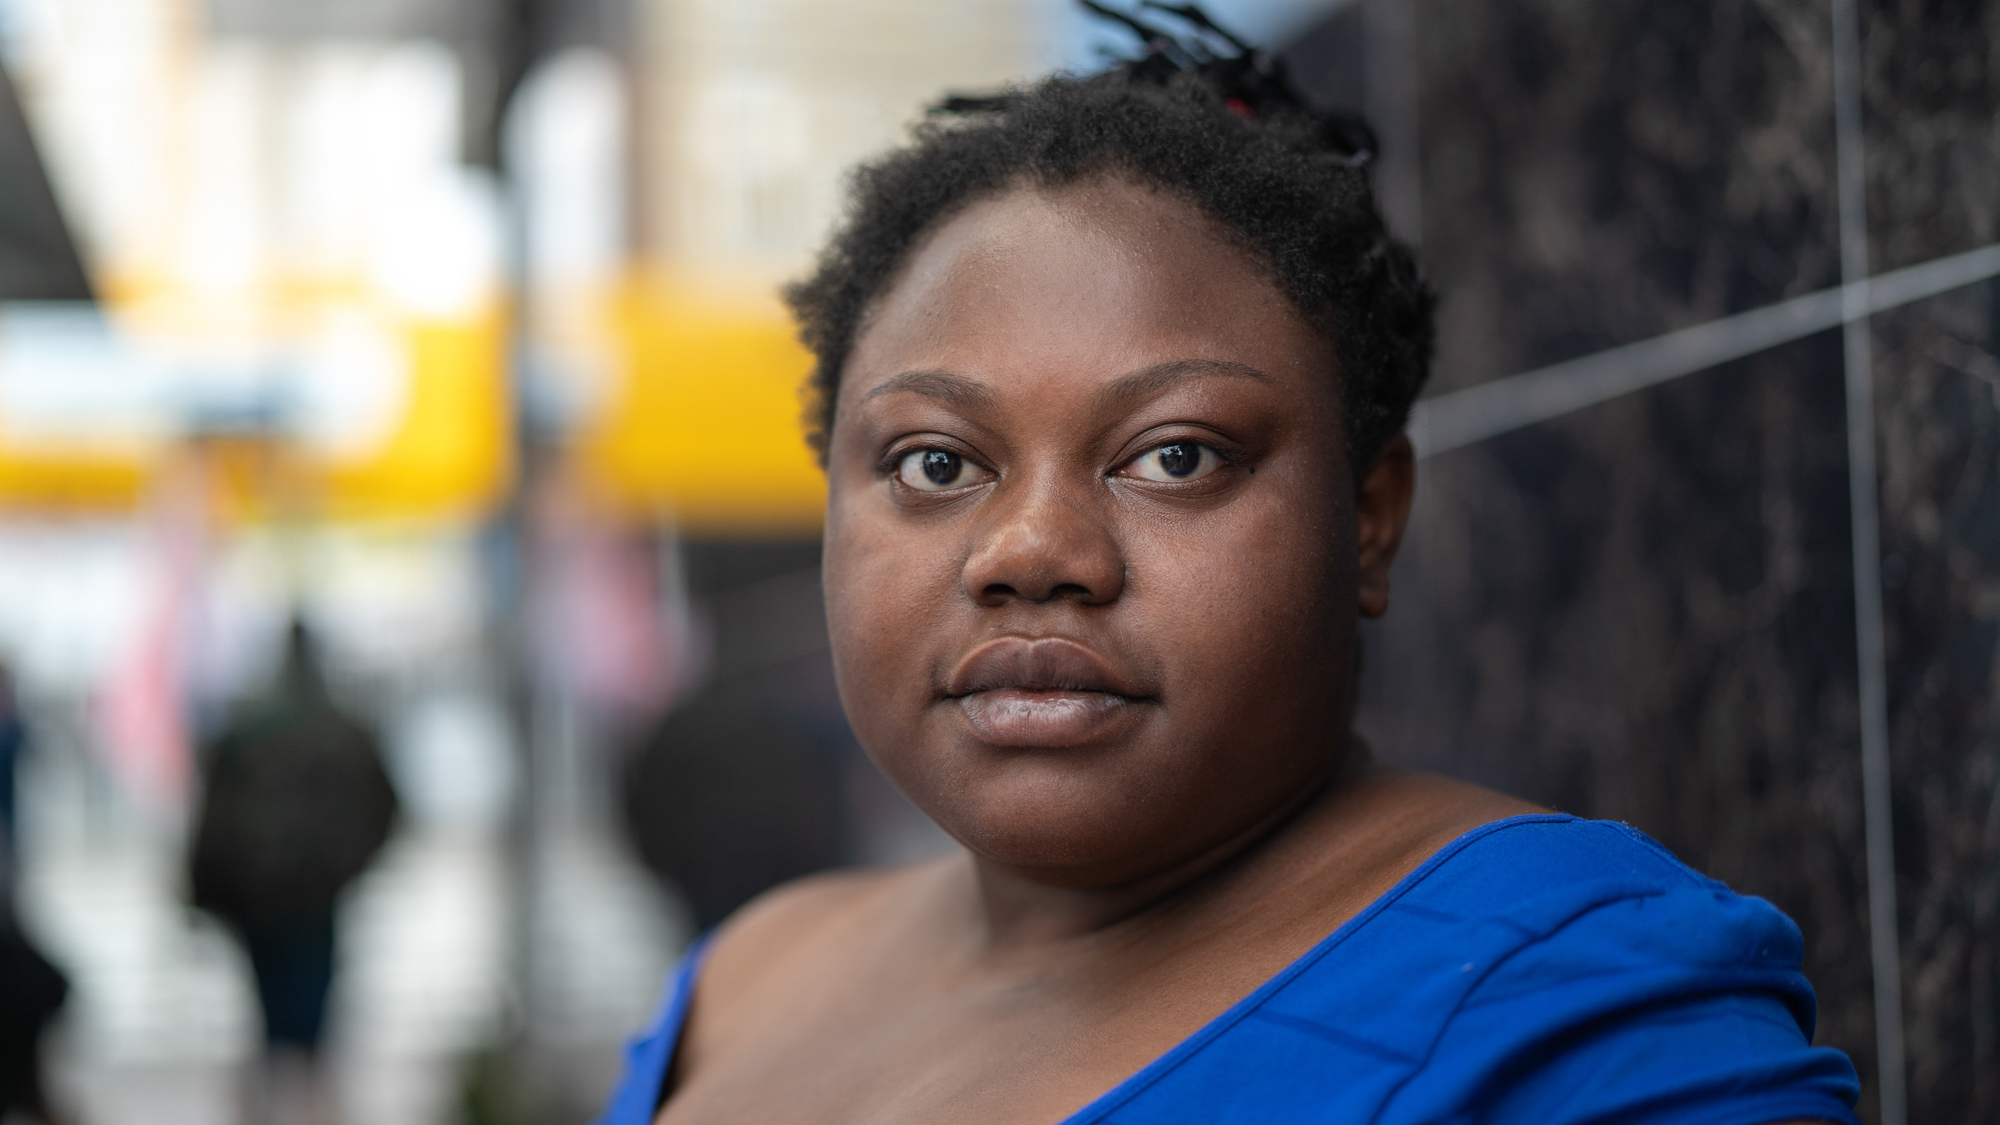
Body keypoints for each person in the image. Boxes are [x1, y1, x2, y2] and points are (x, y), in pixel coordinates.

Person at [599, 10, 1863, 1124]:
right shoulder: (744, 980)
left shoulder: (1571, 1009)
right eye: (936, 464)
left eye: (1175, 456)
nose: (1032, 550)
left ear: (1366, 516)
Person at [189, 619, 397, 1122]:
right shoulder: (341, 729)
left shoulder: (248, 728)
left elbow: (211, 818)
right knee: (309, 1022)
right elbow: (386, 806)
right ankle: (305, 1106)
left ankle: (277, 1105)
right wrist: (349, 867)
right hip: (310, 899)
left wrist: (202, 888)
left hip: (263, 900)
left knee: (271, 1017)